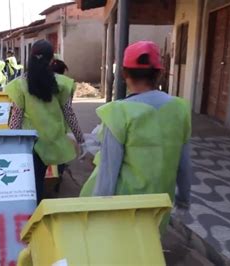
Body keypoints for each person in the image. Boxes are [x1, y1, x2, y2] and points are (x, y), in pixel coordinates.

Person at [79, 41, 192, 231]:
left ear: (124, 74)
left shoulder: (119, 112)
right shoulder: (180, 109)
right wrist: (183, 200)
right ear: (159, 73)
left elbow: (108, 170)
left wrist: (97, 210)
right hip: (159, 204)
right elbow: (184, 163)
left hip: (126, 207)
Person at [6, 40, 84, 203]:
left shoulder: (19, 85)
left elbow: (16, 116)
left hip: (32, 142)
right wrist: (80, 138)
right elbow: (69, 113)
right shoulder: (62, 83)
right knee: (54, 176)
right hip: (55, 141)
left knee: (35, 181)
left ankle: (34, 214)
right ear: (51, 60)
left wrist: (11, 141)